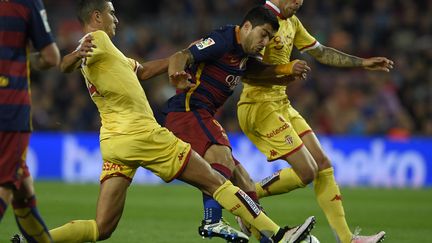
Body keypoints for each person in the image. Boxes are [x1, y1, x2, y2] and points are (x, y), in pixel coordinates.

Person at [47, 1, 316, 242]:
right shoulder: (97, 39)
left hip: (114, 142)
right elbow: (65, 64)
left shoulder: (113, 54)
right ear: (96, 16)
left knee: (101, 228)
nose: (116, 19)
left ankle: (34, 239)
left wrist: (188, 55)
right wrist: (74, 55)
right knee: (216, 179)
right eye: (111, 13)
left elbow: (143, 70)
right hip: (143, 133)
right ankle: (274, 235)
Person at [236, 1, 394, 243]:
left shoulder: (292, 22)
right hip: (257, 106)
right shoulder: (260, 21)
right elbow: (246, 70)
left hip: (280, 103)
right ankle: (244, 198)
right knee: (307, 171)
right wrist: (287, 67)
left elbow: (321, 52)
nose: (299, 3)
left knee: (322, 163)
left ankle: (347, 239)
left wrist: (362, 63)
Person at [164, 5, 313, 242]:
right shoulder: (223, 39)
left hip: (202, 114)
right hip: (187, 110)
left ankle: (268, 236)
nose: (265, 41)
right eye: (263, 34)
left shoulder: (246, 55)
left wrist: (286, 72)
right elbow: (180, 56)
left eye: (270, 38)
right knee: (221, 156)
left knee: (243, 179)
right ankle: (212, 220)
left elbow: (256, 73)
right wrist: (176, 77)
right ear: (246, 27)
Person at [0, 0, 60, 242]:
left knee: (23, 190)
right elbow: (51, 56)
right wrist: (29, 59)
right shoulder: (25, 3)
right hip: (9, 106)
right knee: (5, 183)